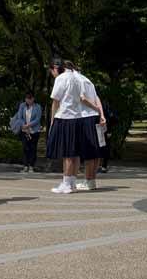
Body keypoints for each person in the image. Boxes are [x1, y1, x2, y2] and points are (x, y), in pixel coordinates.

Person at [46, 59, 103, 194]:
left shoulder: (61, 78)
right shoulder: (77, 78)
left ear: (55, 68)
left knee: (67, 153)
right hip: (77, 118)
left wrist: (52, 120)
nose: (52, 74)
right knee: (75, 153)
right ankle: (71, 182)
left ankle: (67, 183)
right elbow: (83, 98)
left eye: (51, 71)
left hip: (65, 117)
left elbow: (55, 100)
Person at [73, 63, 107, 191]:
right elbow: (96, 97)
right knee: (96, 150)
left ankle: (88, 181)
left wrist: (95, 109)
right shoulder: (88, 80)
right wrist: (101, 114)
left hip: (86, 117)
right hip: (94, 117)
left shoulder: (76, 80)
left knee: (88, 151)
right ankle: (92, 181)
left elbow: (82, 98)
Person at [10, 91, 42, 172]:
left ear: (33, 99)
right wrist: (24, 125)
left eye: (30, 98)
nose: (28, 100)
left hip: (35, 130)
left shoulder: (37, 107)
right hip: (24, 130)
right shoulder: (22, 106)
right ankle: (25, 166)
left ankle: (31, 166)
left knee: (33, 148)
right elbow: (20, 117)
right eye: (27, 98)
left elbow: (37, 119)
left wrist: (29, 125)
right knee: (25, 148)